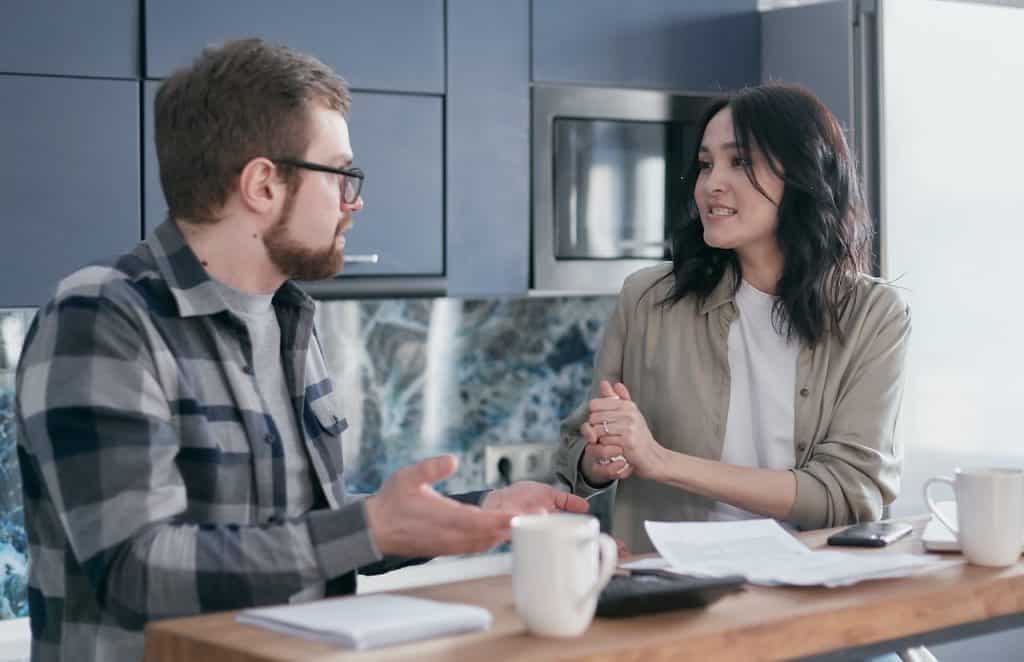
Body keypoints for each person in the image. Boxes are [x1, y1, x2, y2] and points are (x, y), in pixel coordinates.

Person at [15, 39, 586, 662]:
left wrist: (476, 509)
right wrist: (367, 528)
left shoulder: (287, 318)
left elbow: (298, 527)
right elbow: (137, 568)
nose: (355, 201)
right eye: (340, 174)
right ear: (263, 183)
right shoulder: (102, 317)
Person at [555, 82, 911, 554]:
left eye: (739, 161)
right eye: (705, 164)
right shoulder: (646, 298)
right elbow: (572, 457)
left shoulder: (874, 315)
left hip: (807, 590)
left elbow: (847, 494)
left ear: (804, 173)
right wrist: (598, 458)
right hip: (669, 588)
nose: (711, 184)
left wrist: (659, 460)